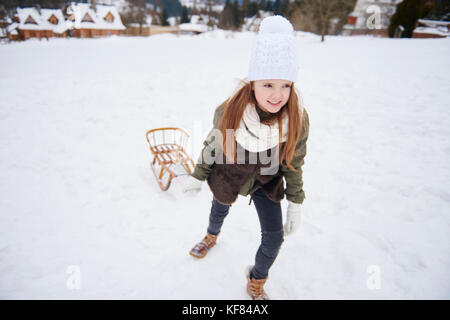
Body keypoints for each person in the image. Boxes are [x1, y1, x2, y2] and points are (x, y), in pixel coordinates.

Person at [182, 15, 310, 300]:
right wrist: (198, 175)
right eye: (268, 85)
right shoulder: (231, 111)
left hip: (266, 180)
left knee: (275, 238)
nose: (278, 95)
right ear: (253, 82)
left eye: (285, 85)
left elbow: (293, 161)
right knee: (219, 209)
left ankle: (257, 279)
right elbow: (214, 144)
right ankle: (211, 236)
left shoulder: (296, 119)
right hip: (229, 173)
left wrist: (296, 202)